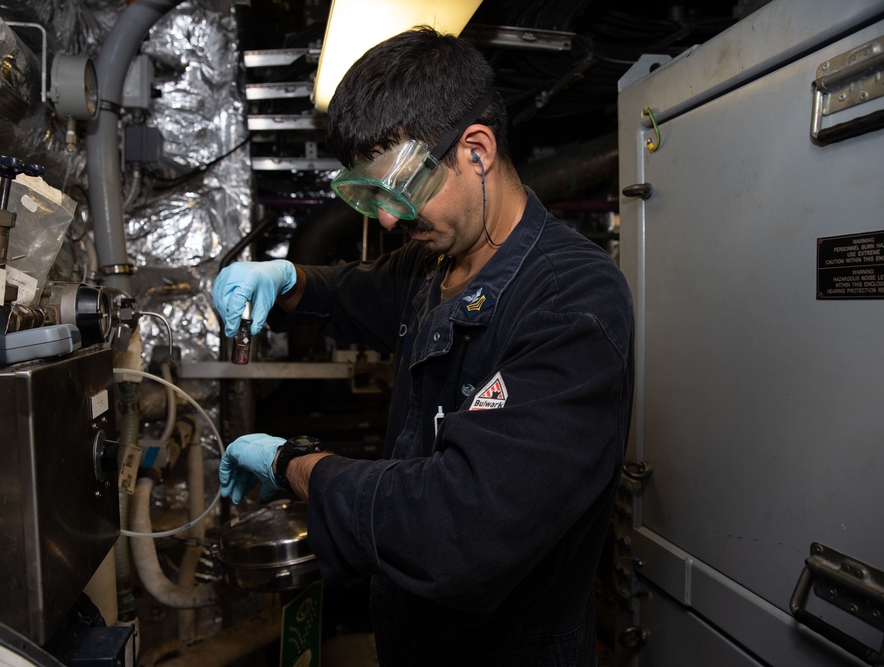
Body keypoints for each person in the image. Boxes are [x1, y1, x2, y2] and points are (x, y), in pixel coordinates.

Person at [212, 26, 634, 666]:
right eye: (369, 195)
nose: (387, 219)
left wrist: (292, 464)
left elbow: (459, 527)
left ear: (477, 150)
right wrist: (289, 281)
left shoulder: (573, 302)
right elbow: (357, 293)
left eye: (401, 189)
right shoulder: (434, 263)